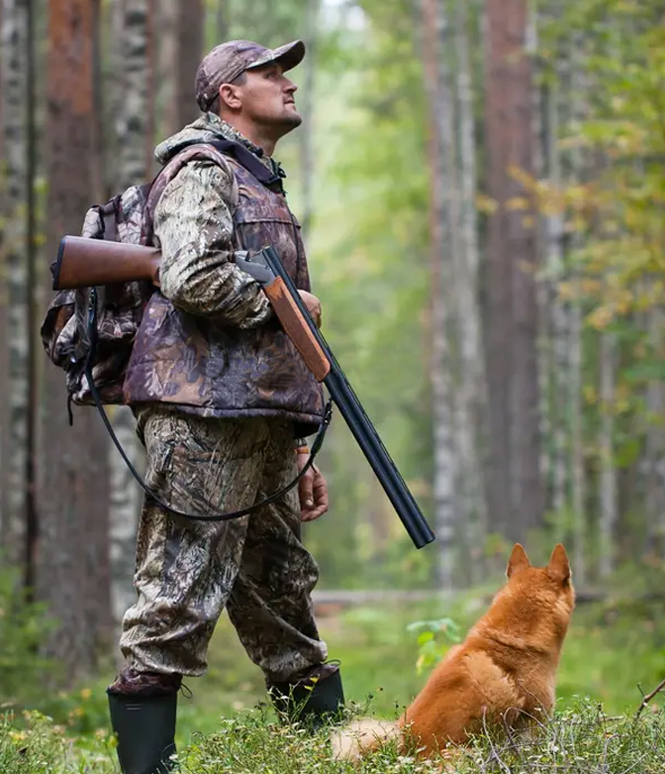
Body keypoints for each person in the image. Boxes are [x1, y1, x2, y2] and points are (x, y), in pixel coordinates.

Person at [106, 39, 344, 774]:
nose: (287, 83)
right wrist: (286, 304)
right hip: (203, 415)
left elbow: (262, 333)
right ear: (229, 93)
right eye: (271, 72)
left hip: (259, 415)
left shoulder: (256, 180)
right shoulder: (201, 170)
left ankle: (320, 759)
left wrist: (298, 442)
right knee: (174, 599)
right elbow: (193, 276)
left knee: (282, 600)